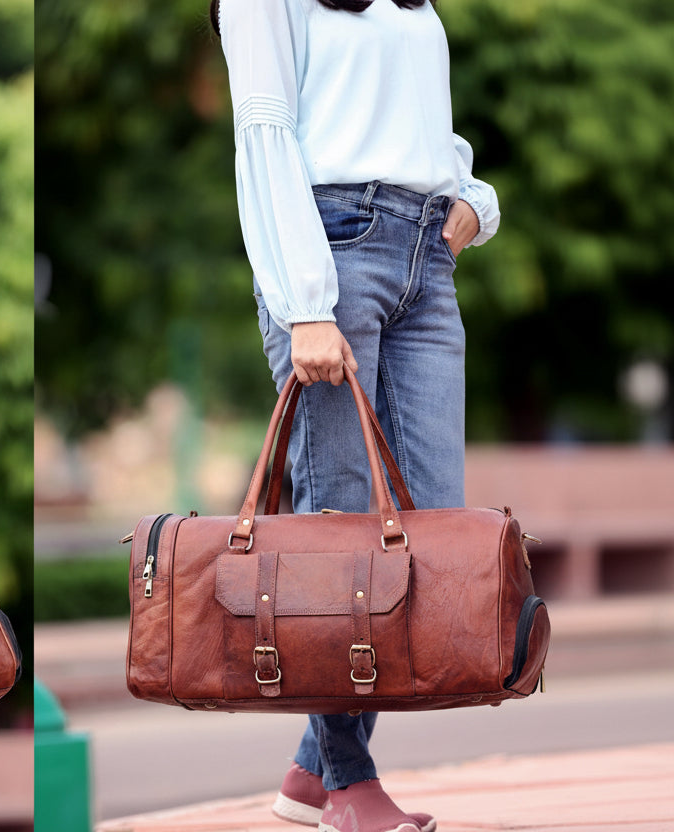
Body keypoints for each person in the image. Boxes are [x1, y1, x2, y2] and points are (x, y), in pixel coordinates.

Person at [211, 1, 500, 831]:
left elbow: (424, 132)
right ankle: (348, 783)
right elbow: (264, 131)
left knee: (431, 526)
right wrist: (306, 302)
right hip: (332, 248)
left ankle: (310, 772)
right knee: (341, 541)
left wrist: (472, 203)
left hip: (425, 263)